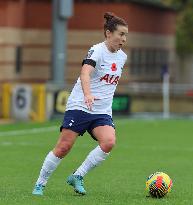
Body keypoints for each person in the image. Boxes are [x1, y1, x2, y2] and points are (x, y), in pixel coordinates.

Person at [32, 12, 128, 196]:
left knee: (108, 142)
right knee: (64, 147)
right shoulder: (97, 50)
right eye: (121, 34)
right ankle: (40, 184)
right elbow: (85, 73)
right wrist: (88, 94)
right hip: (81, 105)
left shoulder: (122, 57)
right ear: (108, 33)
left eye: (126, 35)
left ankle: (78, 175)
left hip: (102, 111)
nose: (124, 39)